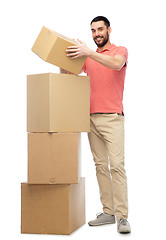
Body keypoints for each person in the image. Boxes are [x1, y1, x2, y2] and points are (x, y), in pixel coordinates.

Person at [63, 16, 131, 234]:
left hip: (112, 118)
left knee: (117, 167)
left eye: (100, 29)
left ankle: (122, 217)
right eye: (93, 31)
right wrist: (63, 57)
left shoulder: (119, 50)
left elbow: (117, 64)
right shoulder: (87, 58)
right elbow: (67, 75)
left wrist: (88, 52)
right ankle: (108, 212)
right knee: (101, 167)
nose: (96, 34)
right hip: (90, 118)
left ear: (109, 30)